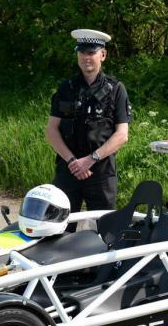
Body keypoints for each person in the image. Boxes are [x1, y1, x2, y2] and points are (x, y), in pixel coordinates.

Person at [46, 29, 132, 215]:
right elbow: (52, 130)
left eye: (91, 52)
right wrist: (72, 161)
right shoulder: (66, 88)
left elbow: (122, 135)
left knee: (105, 231)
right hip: (68, 171)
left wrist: (90, 159)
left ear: (103, 54)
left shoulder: (116, 89)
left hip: (100, 173)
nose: (86, 57)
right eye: (82, 52)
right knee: (58, 230)